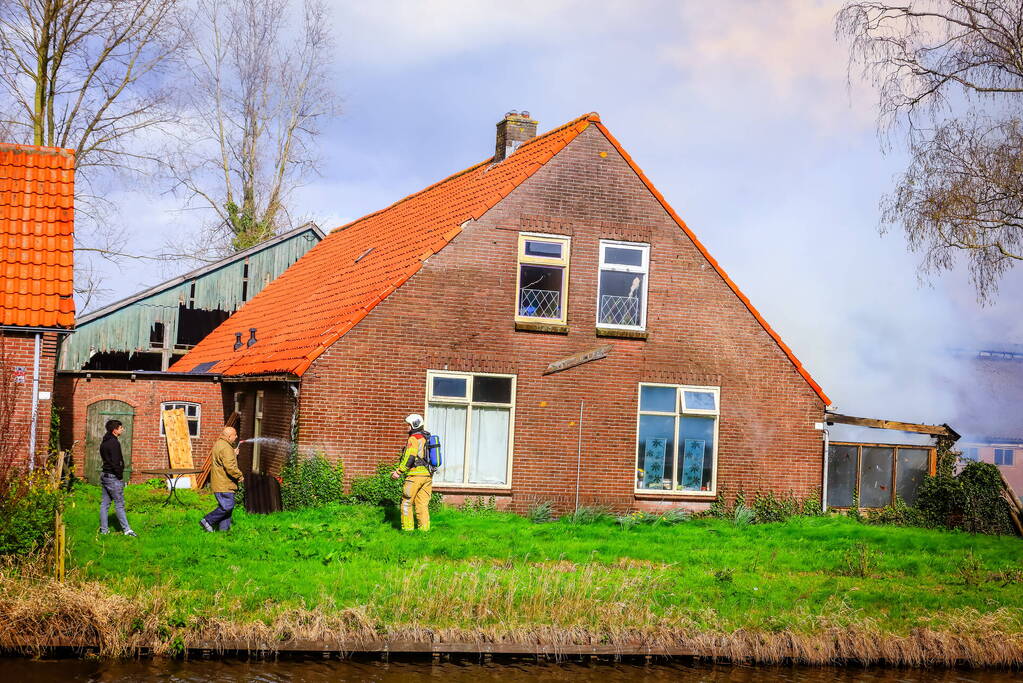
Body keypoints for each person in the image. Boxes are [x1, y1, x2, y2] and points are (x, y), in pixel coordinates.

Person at [390, 414, 432, 532]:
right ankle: (424, 532)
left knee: (406, 503)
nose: (407, 427)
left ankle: (408, 530)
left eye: (408, 425)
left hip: (414, 476)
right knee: (422, 505)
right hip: (427, 476)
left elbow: (410, 457)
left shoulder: (414, 438)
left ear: (414, 424)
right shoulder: (425, 437)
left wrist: (399, 471)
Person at [200, 426, 244, 532]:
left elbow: (223, 459)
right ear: (229, 436)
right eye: (235, 435)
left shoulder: (220, 444)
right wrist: (239, 475)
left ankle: (224, 532)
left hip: (220, 482)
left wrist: (233, 453)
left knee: (227, 509)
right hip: (224, 484)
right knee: (227, 506)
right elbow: (230, 467)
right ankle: (207, 520)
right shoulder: (226, 448)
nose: (236, 437)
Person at [99, 419, 136, 537]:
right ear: (115, 430)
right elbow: (115, 462)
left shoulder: (104, 442)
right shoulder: (114, 443)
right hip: (112, 477)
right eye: (121, 428)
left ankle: (104, 530)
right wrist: (119, 477)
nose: (122, 429)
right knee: (119, 504)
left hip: (105, 475)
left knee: (104, 504)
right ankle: (127, 530)